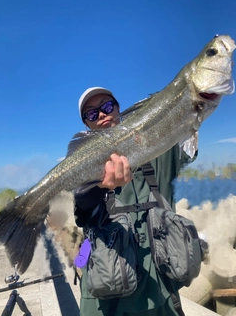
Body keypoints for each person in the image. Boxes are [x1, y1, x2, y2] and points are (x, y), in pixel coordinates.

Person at [74, 87, 197, 316]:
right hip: (107, 295)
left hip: (160, 290)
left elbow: (185, 126)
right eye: (91, 114)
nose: (101, 114)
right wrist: (99, 186)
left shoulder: (158, 149)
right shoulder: (82, 162)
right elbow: (81, 206)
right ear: (86, 125)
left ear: (119, 108)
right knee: (81, 258)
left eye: (107, 106)